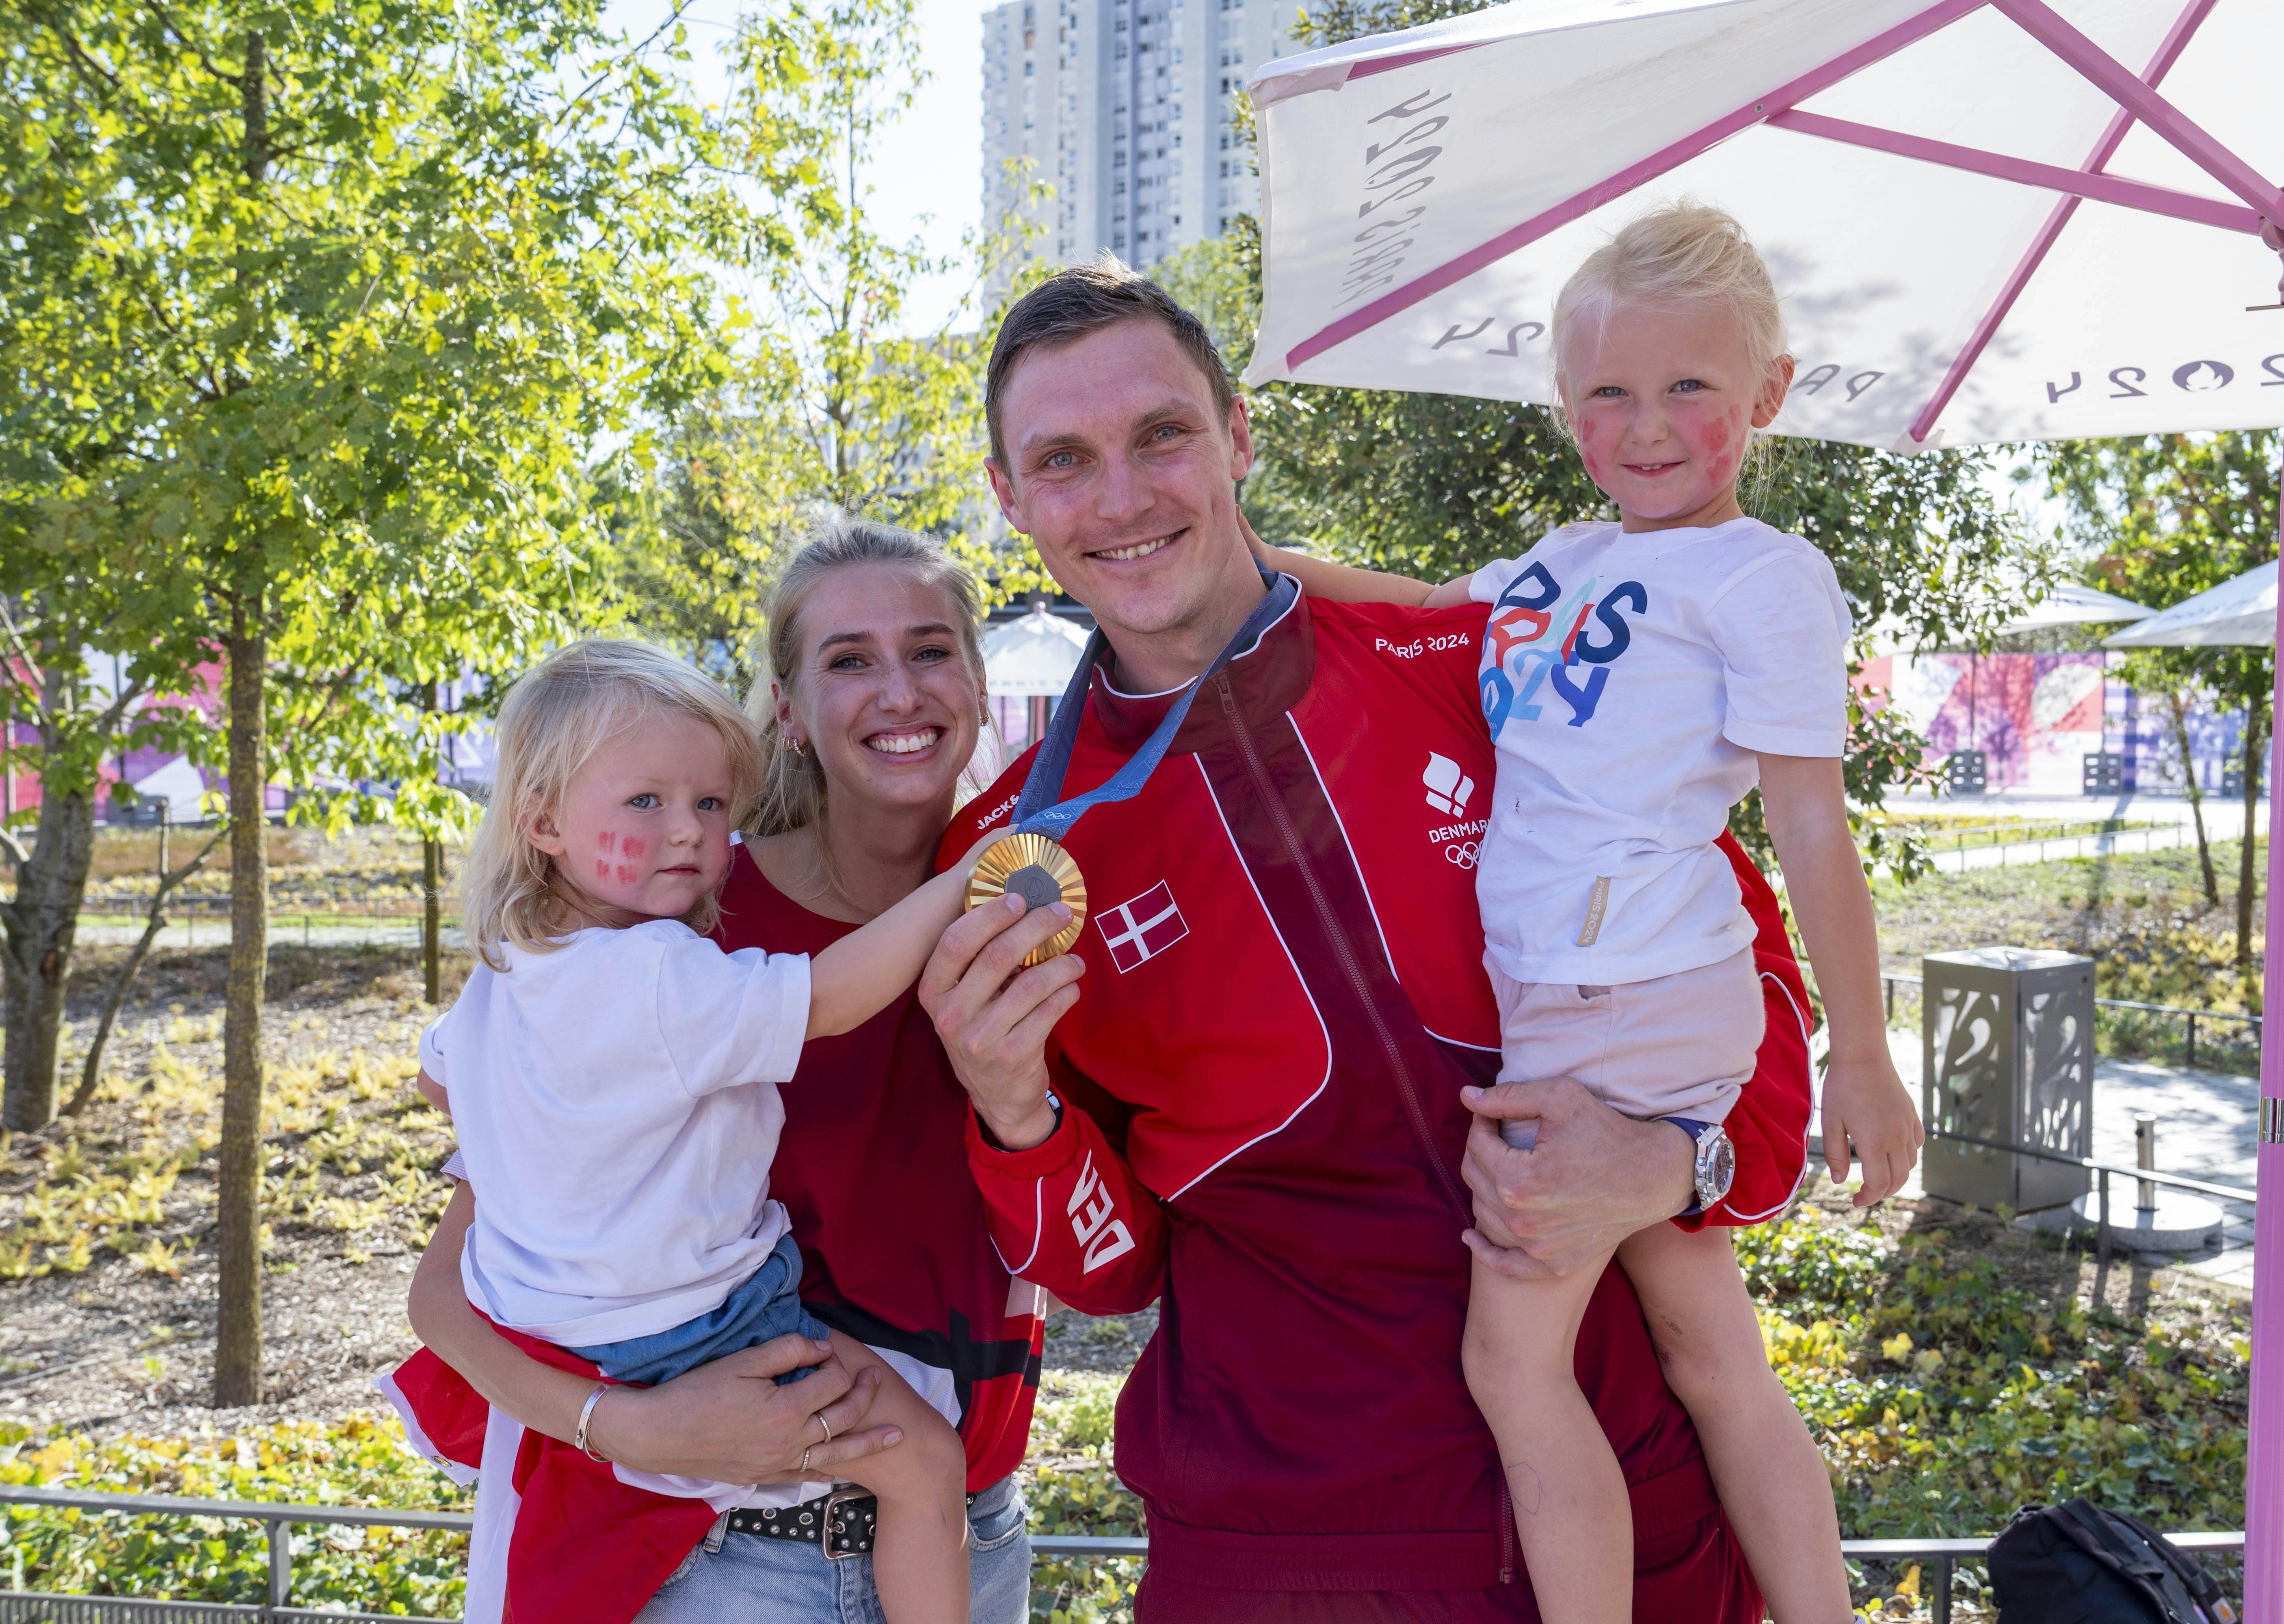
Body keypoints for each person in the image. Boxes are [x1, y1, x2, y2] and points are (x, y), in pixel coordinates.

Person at [919, 255, 1817, 1623]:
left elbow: (1751, 975)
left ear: (1237, 433)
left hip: (1638, 1525)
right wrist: (1013, 1112)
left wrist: (1678, 1163)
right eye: (1062, 460)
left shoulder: (1480, 662)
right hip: (1284, 1563)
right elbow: (1111, 1271)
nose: (1122, 495)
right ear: (1009, 496)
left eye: (1162, 433)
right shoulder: (1015, 855)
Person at [1244, 203, 1919, 1624]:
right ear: (1566, 408)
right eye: (1610, 391)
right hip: (1567, 998)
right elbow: (1436, 603)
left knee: (1512, 1364)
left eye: (1691, 389)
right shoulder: (1563, 562)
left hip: (1640, 990)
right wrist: (1258, 568)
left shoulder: (1763, 578)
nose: (1649, 424)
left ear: (1769, 396)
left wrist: (1862, 1052)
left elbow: (1807, 822)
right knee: (1712, 1354)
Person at [392, 524, 1045, 1624]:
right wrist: (622, 1425)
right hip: (730, 1559)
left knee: (926, 1464)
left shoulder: (1058, 914)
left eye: (931, 650)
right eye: (847, 659)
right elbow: (450, 1287)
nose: (897, 689)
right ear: (787, 706)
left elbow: (1111, 1244)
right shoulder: (668, 941)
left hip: (975, 1535)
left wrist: (1022, 1109)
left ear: (978, 685)